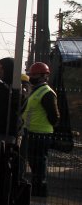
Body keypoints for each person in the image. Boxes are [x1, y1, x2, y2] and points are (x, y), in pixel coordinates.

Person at [20, 62, 59, 197]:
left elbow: (54, 116)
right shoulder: (36, 90)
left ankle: (40, 191)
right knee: (34, 164)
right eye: (31, 74)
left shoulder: (47, 93)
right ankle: (36, 190)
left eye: (35, 75)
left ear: (44, 76)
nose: (32, 77)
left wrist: (42, 125)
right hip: (32, 133)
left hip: (41, 135)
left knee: (38, 165)